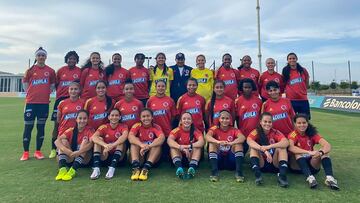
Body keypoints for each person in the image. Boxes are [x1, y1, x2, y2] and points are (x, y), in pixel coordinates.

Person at [21, 47, 56, 161]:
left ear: (46, 57)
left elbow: (52, 85)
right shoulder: (30, 70)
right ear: (36, 57)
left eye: (43, 55)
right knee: (28, 127)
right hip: (31, 103)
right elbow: (25, 84)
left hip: (43, 104)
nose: (41, 57)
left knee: (41, 127)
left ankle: (38, 151)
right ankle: (25, 152)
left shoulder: (50, 71)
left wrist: (45, 94)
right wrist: (30, 94)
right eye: (39, 55)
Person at [288, 114, 339, 190]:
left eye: (304, 122)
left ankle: (330, 178)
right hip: (297, 167)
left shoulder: (312, 134)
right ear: (295, 124)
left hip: (312, 165)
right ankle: (310, 178)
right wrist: (308, 152)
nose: (302, 125)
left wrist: (321, 152)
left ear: (307, 123)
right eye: (299, 123)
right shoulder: (293, 134)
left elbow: (327, 145)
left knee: (325, 153)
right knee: (297, 154)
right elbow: (291, 147)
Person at [49, 51, 81, 158]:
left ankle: (72, 145)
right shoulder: (61, 71)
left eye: (73, 59)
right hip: (61, 100)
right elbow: (54, 84)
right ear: (66, 59)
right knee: (57, 124)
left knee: (73, 123)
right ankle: (53, 148)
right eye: (69, 58)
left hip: (74, 98)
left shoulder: (79, 71)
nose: (71, 60)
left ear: (76, 60)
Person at [247, 112, 289, 187]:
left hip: (274, 163)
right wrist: (263, 150)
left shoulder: (275, 132)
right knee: (253, 148)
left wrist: (269, 146)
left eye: (269, 122)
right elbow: (249, 140)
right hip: (261, 164)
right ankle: (257, 175)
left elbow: (286, 142)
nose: (267, 124)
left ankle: (282, 176)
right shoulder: (256, 131)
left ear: (272, 123)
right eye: (265, 121)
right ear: (260, 122)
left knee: (282, 148)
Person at [206, 110, 246, 182]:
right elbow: (207, 136)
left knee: (238, 144)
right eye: (223, 118)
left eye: (227, 118)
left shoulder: (234, 129)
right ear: (219, 119)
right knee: (212, 144)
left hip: (231, 161)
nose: (225, 120)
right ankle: (214, 172)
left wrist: (232, 143)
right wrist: (218, 142)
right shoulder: (215, 128)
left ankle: (239, 172)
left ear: (230, 120)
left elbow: (242, 138)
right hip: (219, 160)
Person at [54, 110, 93, 181]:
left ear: (87, 120)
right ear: (76, 119)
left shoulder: (89, 130)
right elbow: (57, 141)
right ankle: (62, 169)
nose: (82, 121)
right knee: (63, 141)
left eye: (84, 118)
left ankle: (73, 170)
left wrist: (79, 152)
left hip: (83, 161)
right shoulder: (71, 130)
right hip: (71, 157)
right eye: (80, 118)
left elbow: (91, 144)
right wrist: (68, 152)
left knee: (85, 141)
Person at [90, 109, 129, 180]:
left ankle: (112, 168)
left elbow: (124, 136)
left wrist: (113, 145)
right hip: (105, 155)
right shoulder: (104, 126)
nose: (114, 117)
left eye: (116, 115)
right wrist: (105, 145)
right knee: (99, 139)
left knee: (121, 141)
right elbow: (94, 137)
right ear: (108, 117)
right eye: (112, 115)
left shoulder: (123, 126)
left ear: (120, 117)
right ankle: (96, 168)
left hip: (119, 159)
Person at [128, 109, 165, 181]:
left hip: (151, 158)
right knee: (135, 141)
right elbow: (130, 137)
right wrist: (141, 145)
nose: (146, 118)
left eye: (148, 116)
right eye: (143, 116)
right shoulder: (137, 126)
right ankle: (136, 168)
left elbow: (162, 138)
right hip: (140, 157)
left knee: (157, 143)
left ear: (152, 117)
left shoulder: (156, 126)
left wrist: (149, 146)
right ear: (140, 118)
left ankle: (145, 169)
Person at [167, 112, 205, 179]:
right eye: (184, 119)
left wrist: (189, 146)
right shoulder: (176, 130)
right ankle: (179, 168)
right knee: (172, 147)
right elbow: (169, 140)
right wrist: (180, 147)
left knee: (198, 147)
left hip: (191, 157)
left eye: (188, 119)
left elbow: (202, 142)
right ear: (181, 121)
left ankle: (192, 168)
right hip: (179, 156)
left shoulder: (195, 131)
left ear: (192, 121)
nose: (186, 120)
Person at [147, 80, 177, 161]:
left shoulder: (170, 100)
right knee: (156, 158)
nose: (161, 88)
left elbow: (173, 116)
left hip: (167, 130)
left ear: (166, 88)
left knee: (167, 157)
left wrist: (168, 124)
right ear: (155, 87)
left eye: (163, 86)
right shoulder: (150, 100)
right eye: (159, 86)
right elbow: (147, 115)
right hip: (154, 131)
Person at [235, 78, 262, 154]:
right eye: (245, 87)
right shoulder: (238, 101)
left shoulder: (258, 101)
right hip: (243, 131)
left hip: (256, 131)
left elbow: (261, 116)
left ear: (252, 88)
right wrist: (239, 129)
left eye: (249, 87)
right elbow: (237, 117)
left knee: (259, 152)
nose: (247, 89)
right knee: (241, 153)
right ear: (242, 88)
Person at [282, 53, 310, 118]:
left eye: (293, 58)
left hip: (303, 99)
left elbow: (307, 80)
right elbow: (283, 83)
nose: (292, 60)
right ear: (287, 60)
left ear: (296, 59)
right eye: (290, 59)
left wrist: (303, 89)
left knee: (304, 120)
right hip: (291, 100)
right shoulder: (285, 70)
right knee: (291, 120)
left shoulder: (303, 70)